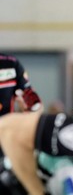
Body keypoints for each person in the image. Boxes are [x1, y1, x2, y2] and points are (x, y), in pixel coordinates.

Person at [0, 53, 42, 195]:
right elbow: (34, 105)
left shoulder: (11, 64)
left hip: (5, 145)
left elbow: (33, 103)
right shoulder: (10, 63)